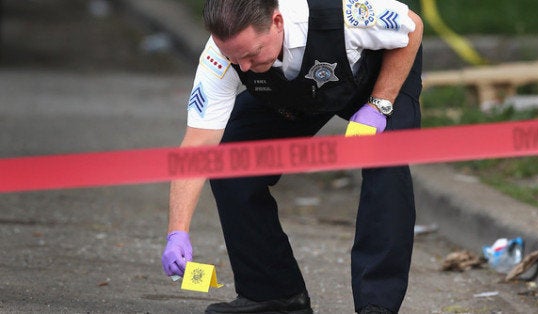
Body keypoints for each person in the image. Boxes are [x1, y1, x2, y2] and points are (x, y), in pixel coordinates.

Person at [161, 0, 423, 313]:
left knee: (386, 167)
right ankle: (274, 294)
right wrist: (177, 232)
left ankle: (377, 304)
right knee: (230, 159)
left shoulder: (346, 14)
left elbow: (412, 26)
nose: (242, 67)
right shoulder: (222, 56)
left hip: (376, 73)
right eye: (234, 58)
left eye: (251, 53)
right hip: (299, 91)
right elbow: (197, 147)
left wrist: (380, 104)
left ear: (277, 22)